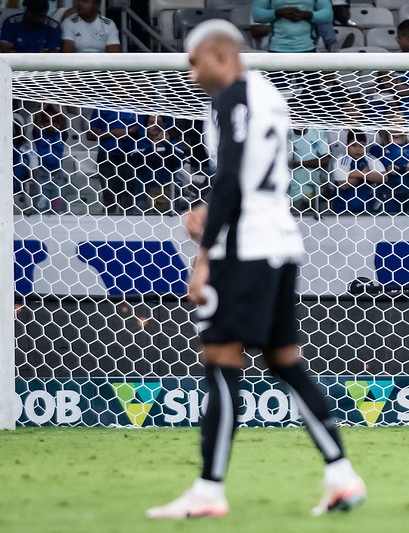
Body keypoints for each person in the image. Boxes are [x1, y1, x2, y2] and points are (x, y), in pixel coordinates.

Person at [146, 20, 366, 520]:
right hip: (281, 241)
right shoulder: (270, 94)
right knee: (284, 360)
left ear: (219, 55)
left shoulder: (232, 99)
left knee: (221, 358)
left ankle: (208, 490)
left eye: (195, 61)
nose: (192, 71)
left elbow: (231, 176)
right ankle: (340, 475)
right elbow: (251, 174)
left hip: (246, 249)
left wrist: (204, 253)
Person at [331, 130, 387, 214]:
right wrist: (367, 175)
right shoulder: (341, 160)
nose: (358, 149)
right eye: (354, 145)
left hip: (366, 208)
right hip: (343, 209)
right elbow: (343, 185)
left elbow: (384, 177)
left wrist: (357, 174)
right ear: (347, 146)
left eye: (361, 146)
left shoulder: (370, 158)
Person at [253, 0, 333, 52]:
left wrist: (306, 15)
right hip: (277, 48)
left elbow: (328, 15)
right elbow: (257, 15)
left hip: (307, 48)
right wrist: (278, 13)